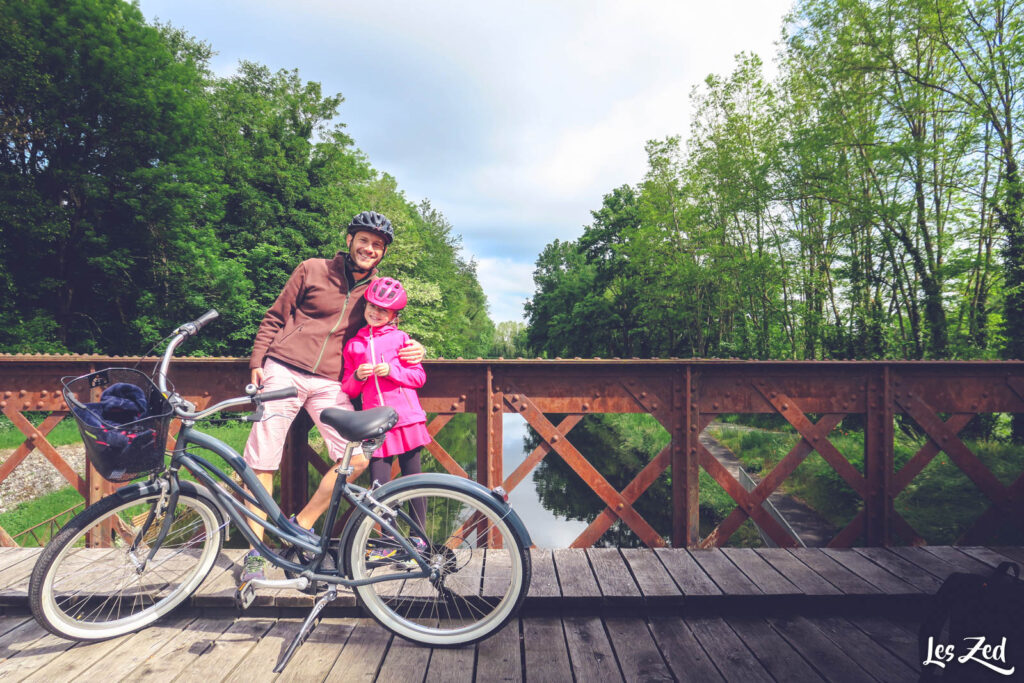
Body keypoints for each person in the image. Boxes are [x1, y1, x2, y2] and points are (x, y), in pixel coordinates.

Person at [240, 211, 424, 582]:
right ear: (349, 240)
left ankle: (301, 524)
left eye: (377, 245)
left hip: (329, 382)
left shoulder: (375, 292)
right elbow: (275, 317)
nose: (369, 249)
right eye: (364, 240)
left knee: (357, 457)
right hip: (284, 368)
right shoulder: (311, 269)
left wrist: (417, 349)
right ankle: (255, 554)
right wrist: (257, 359)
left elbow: (389, 328)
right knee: (262, 458)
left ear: (383, 253)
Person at [341, 277, 431, 562]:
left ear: (394, 315)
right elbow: (348, 387)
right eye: (372, 306)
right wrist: (358, 376)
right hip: (374, 424)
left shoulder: (403, 340)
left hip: (407, 421)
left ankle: (420, 539)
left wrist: (391, 370)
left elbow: (418, 377)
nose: (376, 312)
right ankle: (388, 540)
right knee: (379, 486)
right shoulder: (354, 345)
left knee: (414, 481)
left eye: (383, 310)